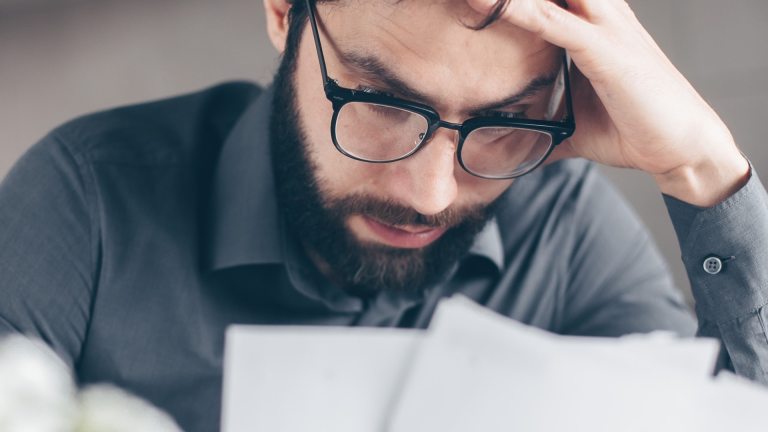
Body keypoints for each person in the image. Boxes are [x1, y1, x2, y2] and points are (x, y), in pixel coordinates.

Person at [1, 0, 766, 430]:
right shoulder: (86, 202)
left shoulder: (558, 223)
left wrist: (699, 168)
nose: (430, 195)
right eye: (380, 105)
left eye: (502, 123)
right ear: (282, 13)